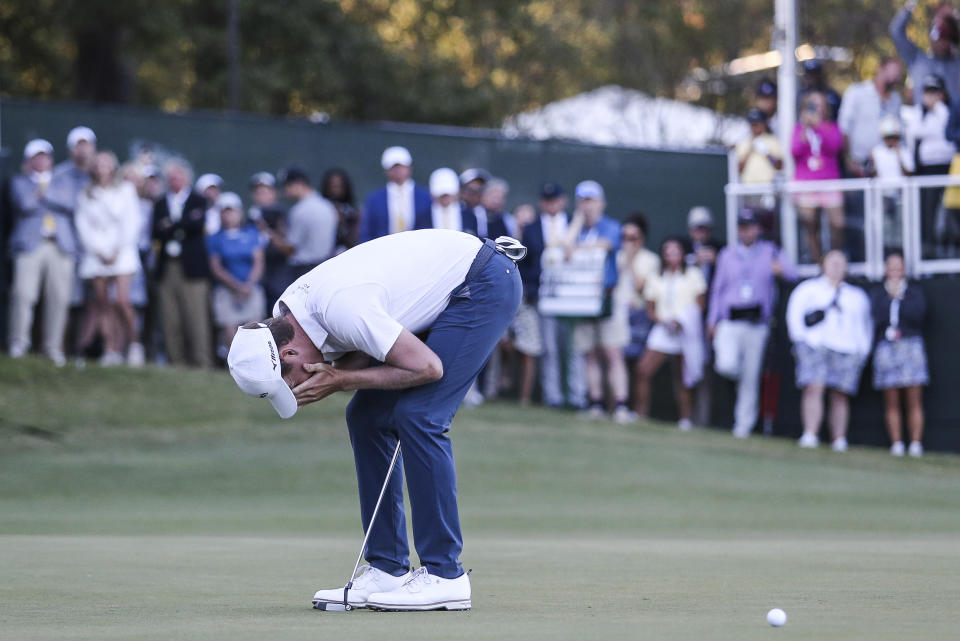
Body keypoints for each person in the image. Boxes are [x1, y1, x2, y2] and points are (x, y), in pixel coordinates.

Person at [226, 229, 523, 611]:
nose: (298, 388)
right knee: (365, 415)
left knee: (420, 415)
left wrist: (342, 379)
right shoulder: (291, 311)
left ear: (290, 351)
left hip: (480, 283)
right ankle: (388, 568)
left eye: (291, 379)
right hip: (448, 294)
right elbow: (358, 350)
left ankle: (446, 575)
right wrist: (342, 378)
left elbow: (428, 368)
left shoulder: (342, 308)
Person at [707, 210, 797, 438]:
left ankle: (743, 426)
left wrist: (781, 269)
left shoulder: (770, 251)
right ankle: (739, 412)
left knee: (751, 377)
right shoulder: (727, 254)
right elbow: (717, 289)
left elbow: (792, 274)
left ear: (758, 229)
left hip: (757, 322)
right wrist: (712, 320)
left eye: (750, 226)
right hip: (731, 319)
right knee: (726, 364)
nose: (746, 231)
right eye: (742, 226)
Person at [786, 251, 873, 451]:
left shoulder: (856, 296)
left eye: (840, 263)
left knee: (840, 395)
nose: (836, 267)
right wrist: (801, 342)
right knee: (813, 389)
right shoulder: (808, 289)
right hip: (815, 346)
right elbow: (794, 317)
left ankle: (839, 439)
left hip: (846, 350)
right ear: (823, 265)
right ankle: (810, 434)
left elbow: (864, 326)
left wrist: (862, 352)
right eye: (832, 262)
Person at [7, 139, 77, 365]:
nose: (41, 160)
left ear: (50, 159)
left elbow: (71, 204)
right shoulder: (18, 182)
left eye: (44, 156)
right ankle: (19, 343)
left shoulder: (63, 180)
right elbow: (24, 204)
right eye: (36, 157)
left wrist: (42, 193)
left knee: (59, 298)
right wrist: (47, 193)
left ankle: (53, 347)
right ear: (28, 161)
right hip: (30, 245)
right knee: (23, 295)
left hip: (60, 246)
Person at [565, 180, 629, 421]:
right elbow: (565, 246)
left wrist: (576, 247)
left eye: (591, 201)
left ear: (601, 203)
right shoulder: (576, 228)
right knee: (589, 354)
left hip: (607, 297)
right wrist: (577, 222)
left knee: (613, 352)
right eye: (583, 201)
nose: (587, 206)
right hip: (583, 300)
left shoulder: (610, 226)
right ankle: (596, 402)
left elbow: (605, 245)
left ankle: (621, 404)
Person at [75, 151, 143, 366]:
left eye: (105, 164)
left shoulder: (126, 190)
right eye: (98, 164)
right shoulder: (86, 193)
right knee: (103, 304)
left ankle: (134, 345)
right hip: (97, 255)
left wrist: (116, 250)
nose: (101, 168)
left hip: (122, 253)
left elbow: (132, 222)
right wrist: (99, 251)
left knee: (122, 301)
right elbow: (83, 225)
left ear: (112, 167)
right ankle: (110, 349)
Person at [635, 237, 706, 430]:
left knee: (683, 376)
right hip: (663, 329)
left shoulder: (693, 274)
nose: (671, 256)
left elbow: (700, 304)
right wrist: (665, 321)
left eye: (675, 251)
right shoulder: (656, 276)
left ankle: (686, 419)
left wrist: (682, 321)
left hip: (686, 330)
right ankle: (640, 414)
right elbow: (650, 309)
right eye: (668, 252)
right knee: (643, 370)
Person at [152, 158, 214, 368]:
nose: (175, 180)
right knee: (170, 318)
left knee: (196, 317)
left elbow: (197, 224)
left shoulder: (198, 200)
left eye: (179, 176)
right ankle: (175, 361)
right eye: (171, 177)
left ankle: (201, 361)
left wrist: (172, 224)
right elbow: (155, 230)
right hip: (168, 265)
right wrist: (182, 224)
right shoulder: (161, 202)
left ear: (187, 178)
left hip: (193, 268)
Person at [870, 252, 928, 457]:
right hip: (886, 348)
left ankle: (915, 444)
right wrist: (889, 298)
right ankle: (896, 444)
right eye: (890, 266)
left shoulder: (914, 292)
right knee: (891, 400)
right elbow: (875, 318)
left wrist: (900, 298)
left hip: (910, 346)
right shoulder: (878, 293)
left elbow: (918, 315)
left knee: (914, 399)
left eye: (898, 267)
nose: (894, 271)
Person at [902, 74, 954, 257]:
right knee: (927, 212)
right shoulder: (917, 112)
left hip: (949, 167)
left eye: (935, 91)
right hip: (926, 168)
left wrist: (937, 108)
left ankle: (950, 251)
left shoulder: (948, 110)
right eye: (928, 92)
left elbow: (946, 131)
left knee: (950, 212)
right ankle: (928, 254)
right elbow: (914, 132)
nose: (931, 96)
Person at [207, 192, 265, 352]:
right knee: (230, 332)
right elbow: (216, 267)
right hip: (227, 290)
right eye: (225, 211)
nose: (229, 215)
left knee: (255, 330)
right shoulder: (215, 238)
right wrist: (237, 286)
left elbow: (258, 261)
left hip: (251, 288)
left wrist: (248, 285)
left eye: (232, 210)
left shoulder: (251, 233)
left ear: (239, 212)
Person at [792, 91, 846, 262]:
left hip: (829, 182)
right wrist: (805, 130)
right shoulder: (799, 129)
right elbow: (795, 151)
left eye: (819, 104)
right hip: (806, 183)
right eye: (812, 104)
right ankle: (819, 263)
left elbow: (835, 147)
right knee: (810, 224)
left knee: (838, 223)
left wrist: (818, 126)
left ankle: (833, 258)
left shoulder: (831, 127)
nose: (816, 108)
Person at [838, 57, 904, 179]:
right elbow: (844, 128)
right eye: (893, 71)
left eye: (898, 74)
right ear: (881, 68)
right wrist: (849, 161)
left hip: (885, 168)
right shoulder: (856, 92)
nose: (896, 77)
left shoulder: (896, 99)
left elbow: (898, 132)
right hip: (858, 165)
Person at [619, 214, 660, 402]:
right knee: (616, 363)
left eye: (633, 238)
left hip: (639, 315)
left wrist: (630, 261)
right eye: (624, 238)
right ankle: (617, 407)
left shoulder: (651, 260)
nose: (628, 242)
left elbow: (640, 287)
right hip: (618, 314)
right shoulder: (615, 256)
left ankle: (639, 411)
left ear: (641, 238)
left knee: (640, 368)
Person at [890, 1, 960, 106]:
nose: (941, 43)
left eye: (946, 39)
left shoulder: (956, 63)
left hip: (953, 121)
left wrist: (956, 16)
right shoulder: (917, 58)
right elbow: (896, 32)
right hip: (921, 120)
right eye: (937, 38)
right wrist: (911, 3)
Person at [359, 146, 432, 243]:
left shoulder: (425, 197)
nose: (398, 171)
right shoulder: (374, 200)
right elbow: (367, 232)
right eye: (393, 167)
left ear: (409, 168)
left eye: (401, 166)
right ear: (386, 171)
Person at [279, 166, 338, 280]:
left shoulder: (300, 210)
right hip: (325, 267)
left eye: (288, 186)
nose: (286, 191)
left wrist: (272, 235)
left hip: (302, 270)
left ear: (298, 184)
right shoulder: (327, 205)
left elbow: (290, 249)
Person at [247, 171, 289, 314]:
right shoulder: (250, 216)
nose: (262, 195)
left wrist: (267, 230)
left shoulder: (282, 214)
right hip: (256, 271)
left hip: (278, 270)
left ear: (274, 193)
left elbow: (288, 245)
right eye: (258, 192)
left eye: (266, 191)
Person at [735, 108, 783, 232]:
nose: (755, 127)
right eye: (752, 124)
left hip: (767, 188)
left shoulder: (772, 141)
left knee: (768, 221)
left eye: (758, 123)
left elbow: (779, 165)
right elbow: (739, 168)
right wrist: (750, 150)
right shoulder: (744, 142)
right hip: (748, 189)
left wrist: (766, 152)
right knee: (750, 222)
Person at [871, 117, 914, 251]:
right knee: (885, 228)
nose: (891, 140)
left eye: (894, 137)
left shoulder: (904, 151)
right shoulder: (876, 152)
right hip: (883, 196)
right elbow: (872, 174)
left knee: (902, 228)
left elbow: (909, 172)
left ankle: (901, 254)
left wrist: (899, 155)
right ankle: (886, 254)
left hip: (901, 195)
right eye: (888, 137)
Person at [320, 168, 360, 253]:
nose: (336, 190)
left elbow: (353, 240)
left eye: (339, 186)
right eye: (333, 186)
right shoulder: (322, 209)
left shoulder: (352, 212)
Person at [428, 168, 478, 235]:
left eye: (448, 195)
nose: (445, 198)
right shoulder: (423, 218)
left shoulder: (469, 216)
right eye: (441, 195)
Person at [459, 168, 490, 237]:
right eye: (471, 189)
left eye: (480, 189)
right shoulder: (455, 212)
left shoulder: (487, 213)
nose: (475, 194)